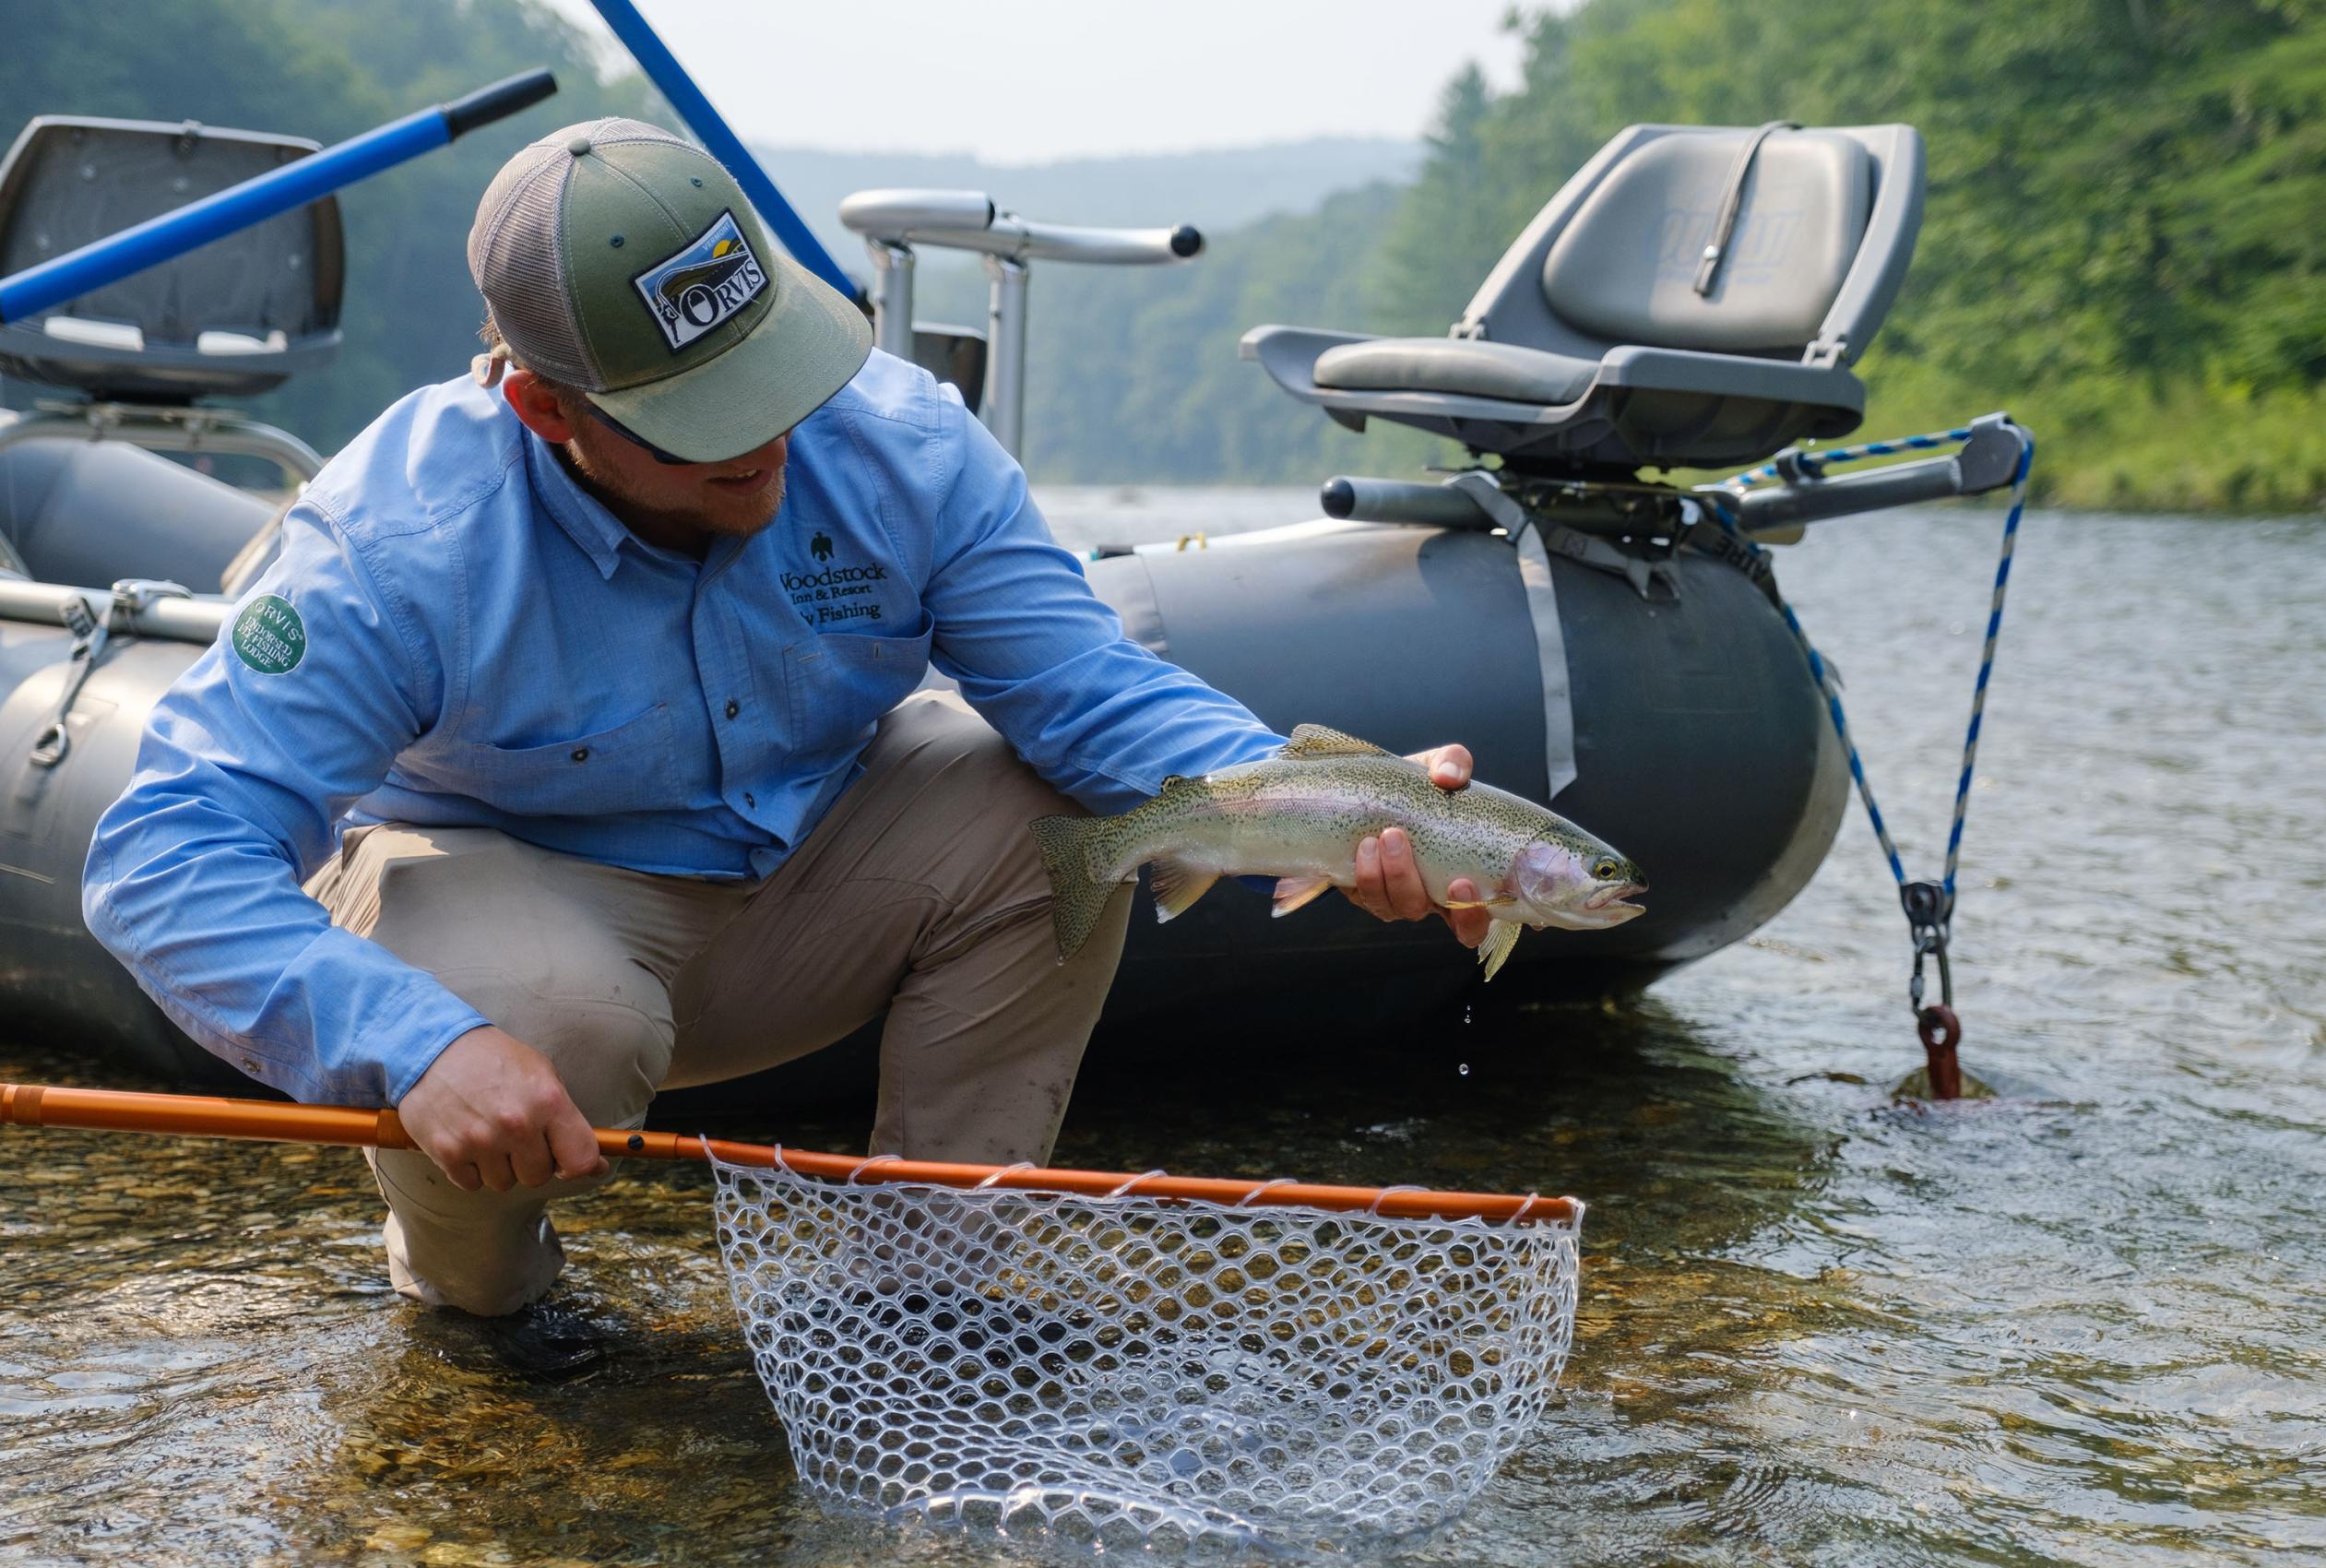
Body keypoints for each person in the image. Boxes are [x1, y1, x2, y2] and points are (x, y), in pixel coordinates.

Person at [82, 120, 1484, 1367]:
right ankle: (477, 1302)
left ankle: (921, 1313)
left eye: (772, 375)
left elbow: (1092, 692)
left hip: (803, 875)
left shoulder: (902, 446)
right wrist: (412, 1043)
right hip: (518, 899)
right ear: (547, 410)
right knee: (560, 1025)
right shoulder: (395, 542)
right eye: (700, 422)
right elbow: (161, 854)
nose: (766, 440)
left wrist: (1341, 807)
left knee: (1056, 810)